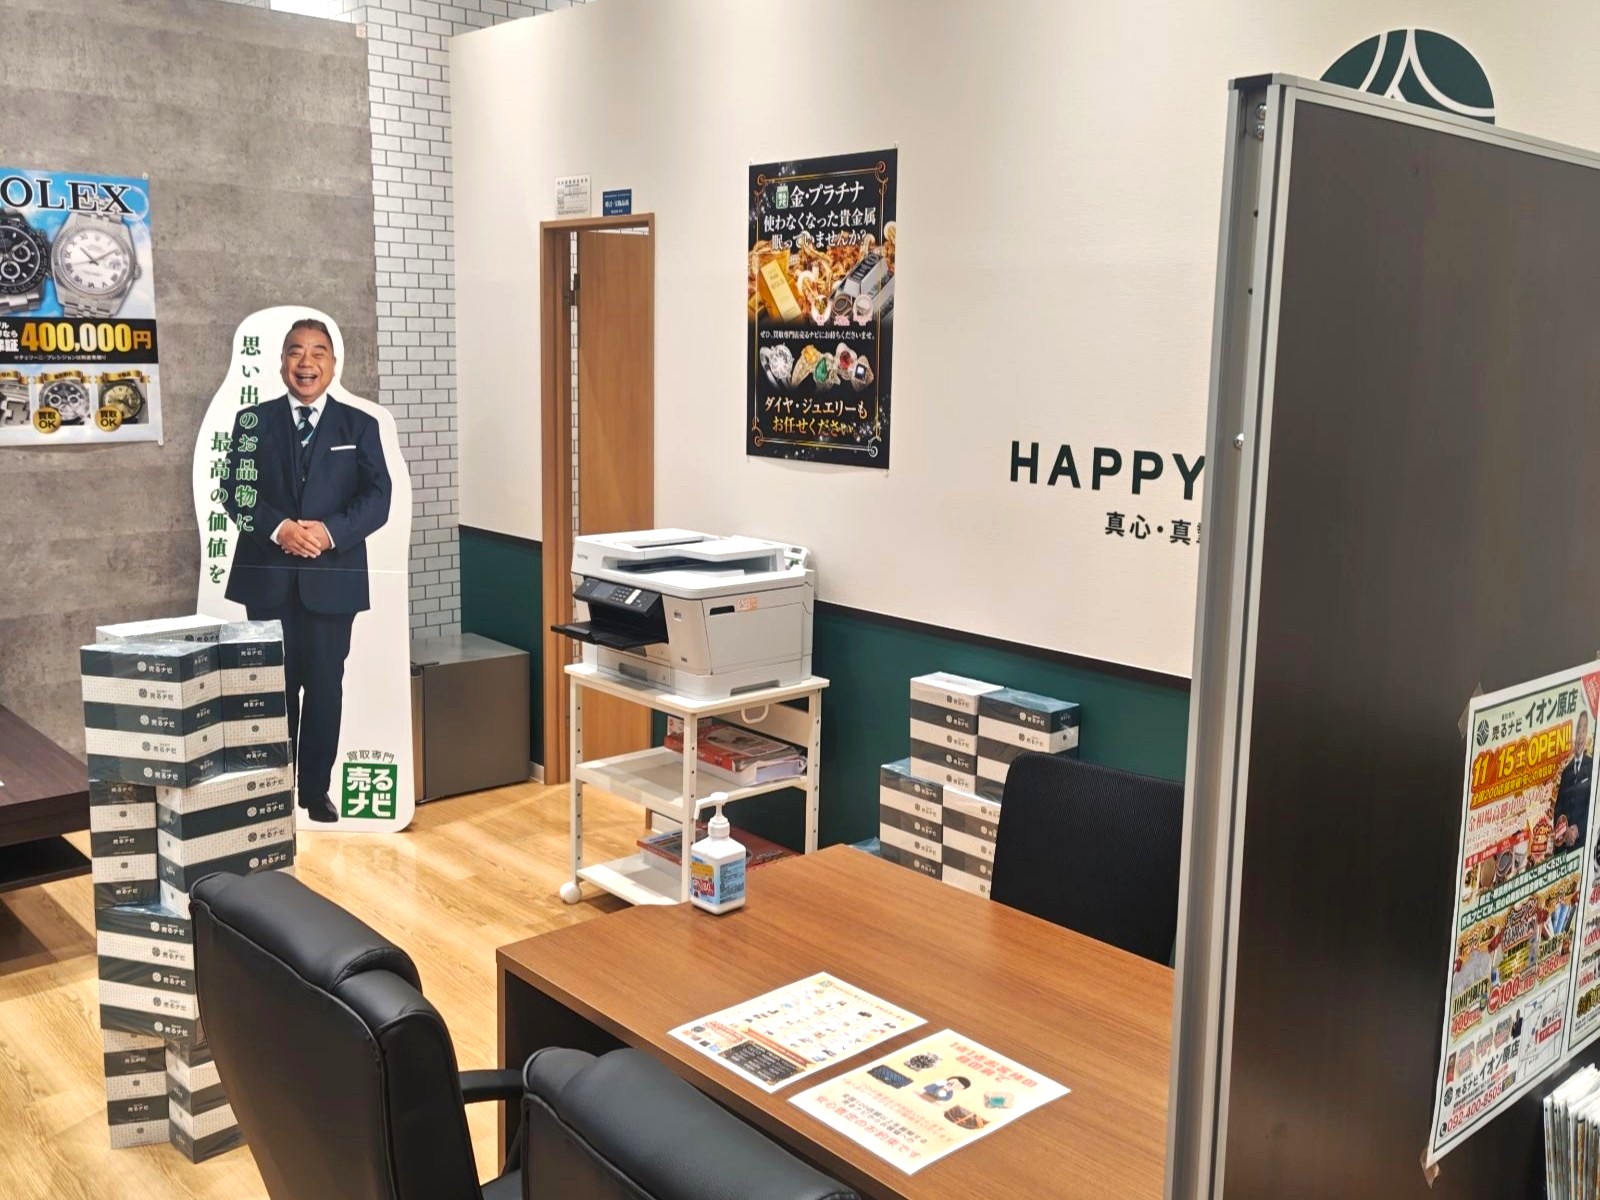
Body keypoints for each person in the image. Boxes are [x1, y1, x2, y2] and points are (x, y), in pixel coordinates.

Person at [223, 319, 391, 822]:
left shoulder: (359, 426)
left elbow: (378, 498)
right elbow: (236, 492)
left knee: (324, 689)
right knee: (271, 689)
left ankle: (314, 791)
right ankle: (273, 789)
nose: (306, 362)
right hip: (268, 580)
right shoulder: (253, 421)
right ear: (282, 363)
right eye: (296, 352)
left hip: (332, 579)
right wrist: (280, 530)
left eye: (318, 352)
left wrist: (329, 532)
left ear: (333, 365)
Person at [1555, 711, 1594, 851]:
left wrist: (1578, 829)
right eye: (1578, 730)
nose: (1580, 736)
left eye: (1584, 730)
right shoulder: (1566, 771)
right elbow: (1558, 808)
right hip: (1565, 844)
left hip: (1583, 842)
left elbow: (1593, 805)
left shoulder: (1592, 766)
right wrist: (1564, 830)